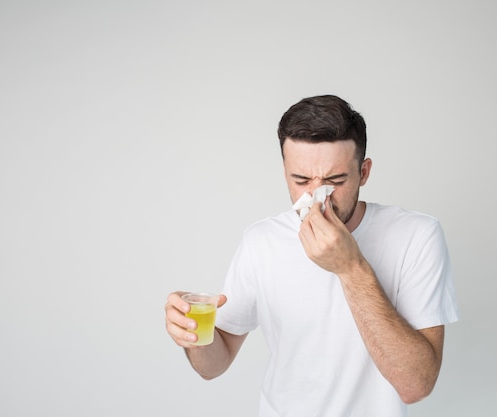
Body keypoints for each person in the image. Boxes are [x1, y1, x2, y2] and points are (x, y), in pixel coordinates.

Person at [164, 95, 459, 417]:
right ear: (284, 171)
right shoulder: (261, 240)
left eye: (335, 181)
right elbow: (213, 367)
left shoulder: (416, 235)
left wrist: (350, 267)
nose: (317, 198)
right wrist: (193, 334)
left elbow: (416, 385)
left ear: (364, 172)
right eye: (301, 180)